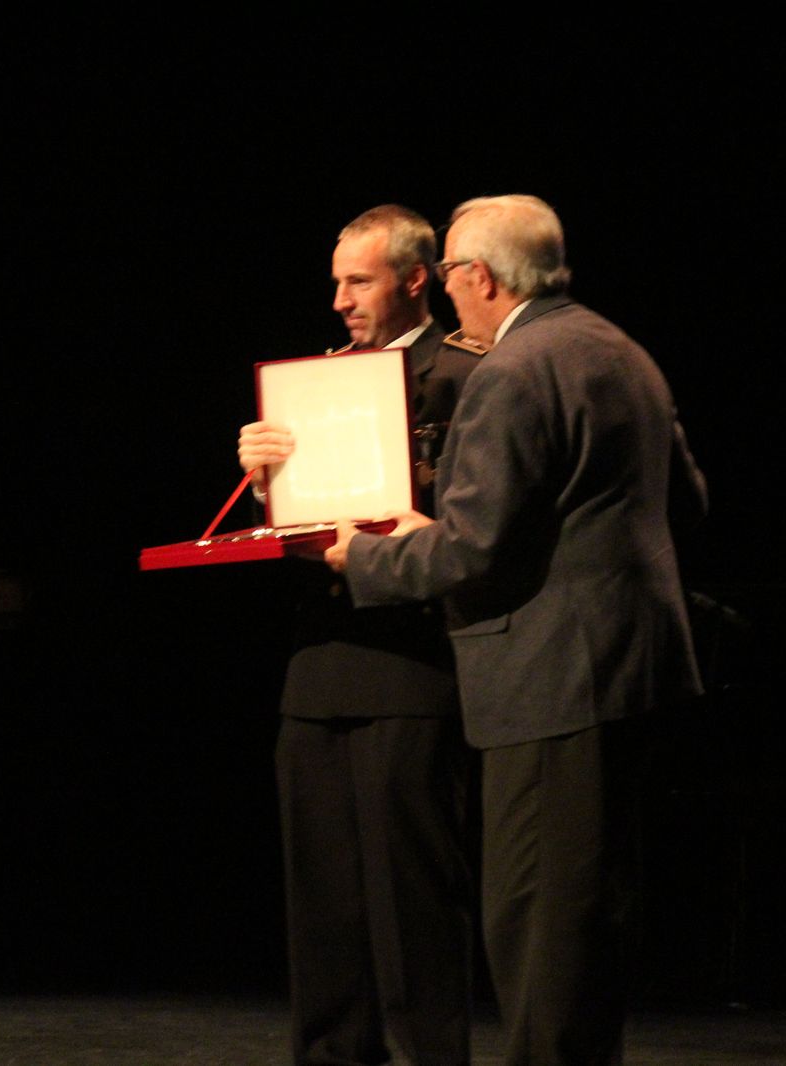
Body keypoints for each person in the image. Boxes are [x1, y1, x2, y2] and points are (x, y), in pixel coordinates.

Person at [326, 195, 707, 1066]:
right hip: (632, 671)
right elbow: (688, 503)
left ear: (481, 277)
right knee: (588, 922)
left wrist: (365, 559)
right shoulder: (622, 351)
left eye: (455, 274)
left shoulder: (512, 368)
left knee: (537, 929)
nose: (454, 293)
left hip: (550, 681)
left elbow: (469, 552)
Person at [238, 205, 481, 1066]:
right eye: (336, 281)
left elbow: (476, 524)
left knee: (409, 898)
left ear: (416, 279)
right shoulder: (316, 384)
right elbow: (297, 528)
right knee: (325, 903)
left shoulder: (462, 373)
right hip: (320, 662)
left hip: (412, 664)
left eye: (359, 280)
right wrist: (266, 479)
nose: (340, 299)